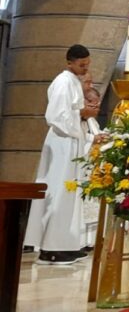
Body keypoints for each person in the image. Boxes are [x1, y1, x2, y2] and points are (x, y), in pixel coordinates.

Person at [25, 44, 100, 264]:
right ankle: (51, 249)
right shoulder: (63, 82)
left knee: (69, 194)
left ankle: (65, 244)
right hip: (61, 142)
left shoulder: (74, 82)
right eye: (81, 64)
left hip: (71, 141)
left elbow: (71, 113)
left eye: (87, 64)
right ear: (69, 62)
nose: (85, 68)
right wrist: (82, 113)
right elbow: (55, 116)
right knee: (59, 192)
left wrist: (84, 117)